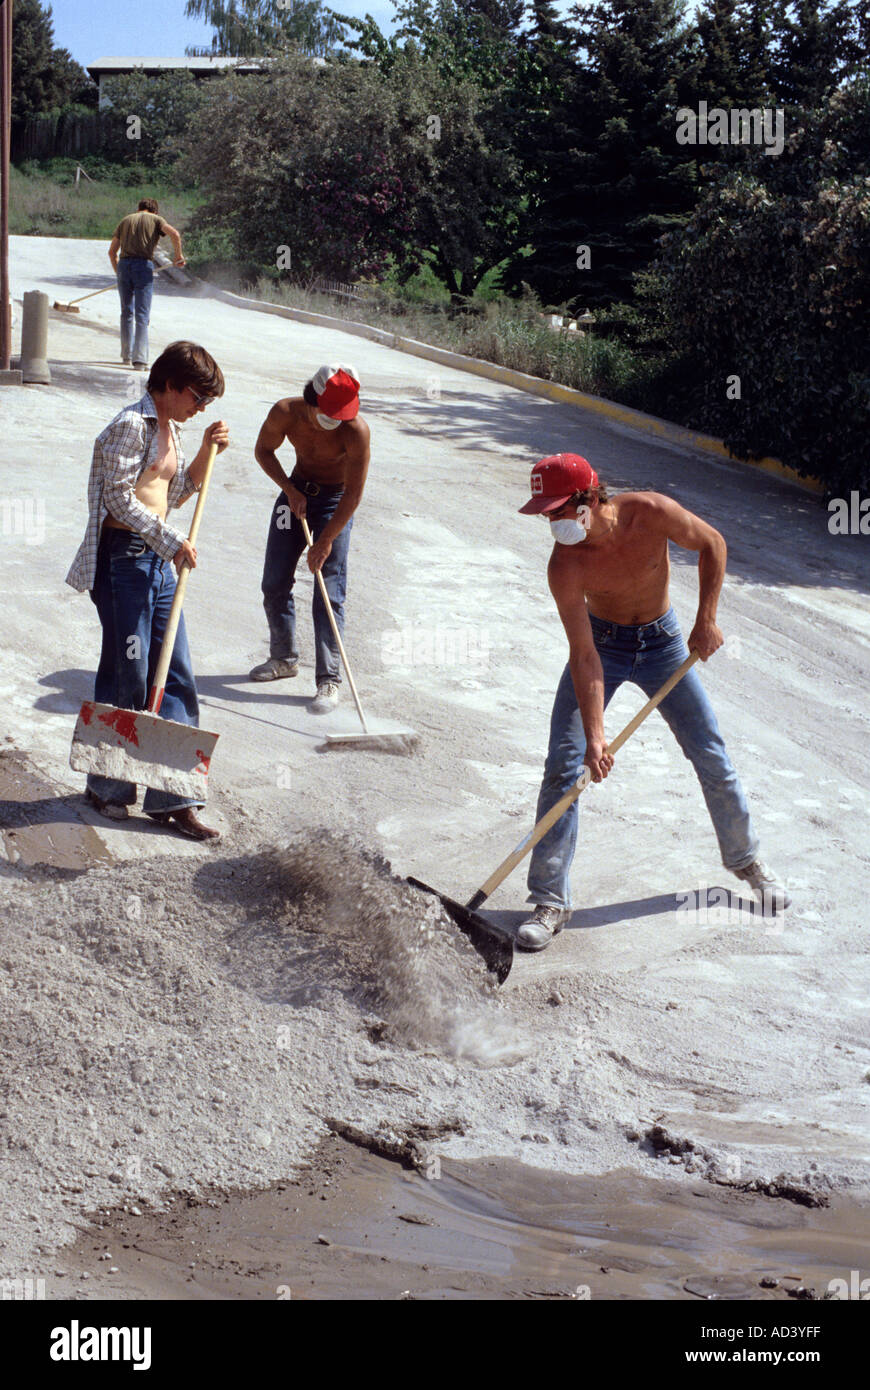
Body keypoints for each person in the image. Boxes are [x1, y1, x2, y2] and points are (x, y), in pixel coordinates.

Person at [516, 452, 790, 951]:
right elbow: (583, 656)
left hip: (663, 646)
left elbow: (713, 544)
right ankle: (550, 899)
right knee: (565, 764)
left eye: (558, 510)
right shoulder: (564, 567)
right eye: (546, 514)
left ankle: (747, 861)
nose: (551, 523)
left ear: (590, 498)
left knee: (710, 752)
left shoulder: (650, 512)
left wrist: (705, 618)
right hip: (603, 646)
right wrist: (596, 738)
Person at [66, 341, 229, 841]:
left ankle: (174, 798)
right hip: (124, 564)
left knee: (176, 675)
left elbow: (175, 496)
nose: (200, 408)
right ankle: (107, 787)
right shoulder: (129, 425)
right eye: (198, 398)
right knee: (128, 675)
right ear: (173, 386)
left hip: (157, 563)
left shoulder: (173, 430)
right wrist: (171, 539)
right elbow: (118, 498)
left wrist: (204, 449)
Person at [250, 364, 370, 712]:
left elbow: (354, 495)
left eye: (341, 415)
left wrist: (326, 540)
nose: (336, 421)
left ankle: (328, 681)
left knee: (328, 591)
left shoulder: (356, 432)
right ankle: (283, 658)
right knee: (274, 580)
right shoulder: (285, 412)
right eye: (328, 414)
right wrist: (289, 489)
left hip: (336, 503)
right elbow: (263, 451)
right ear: (311, 398)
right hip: (296, 494)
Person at [108, 198, 186, 369]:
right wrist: (178, 256)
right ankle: (140, 359)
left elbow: (112, 252)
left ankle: (126, 355)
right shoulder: (157, 220)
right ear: (155, 211)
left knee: (126, 312)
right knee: (142, 314)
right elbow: (175, 234)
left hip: (124, 265)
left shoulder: (126, 220)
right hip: (143, 265)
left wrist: (119, 274)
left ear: (139, 209)